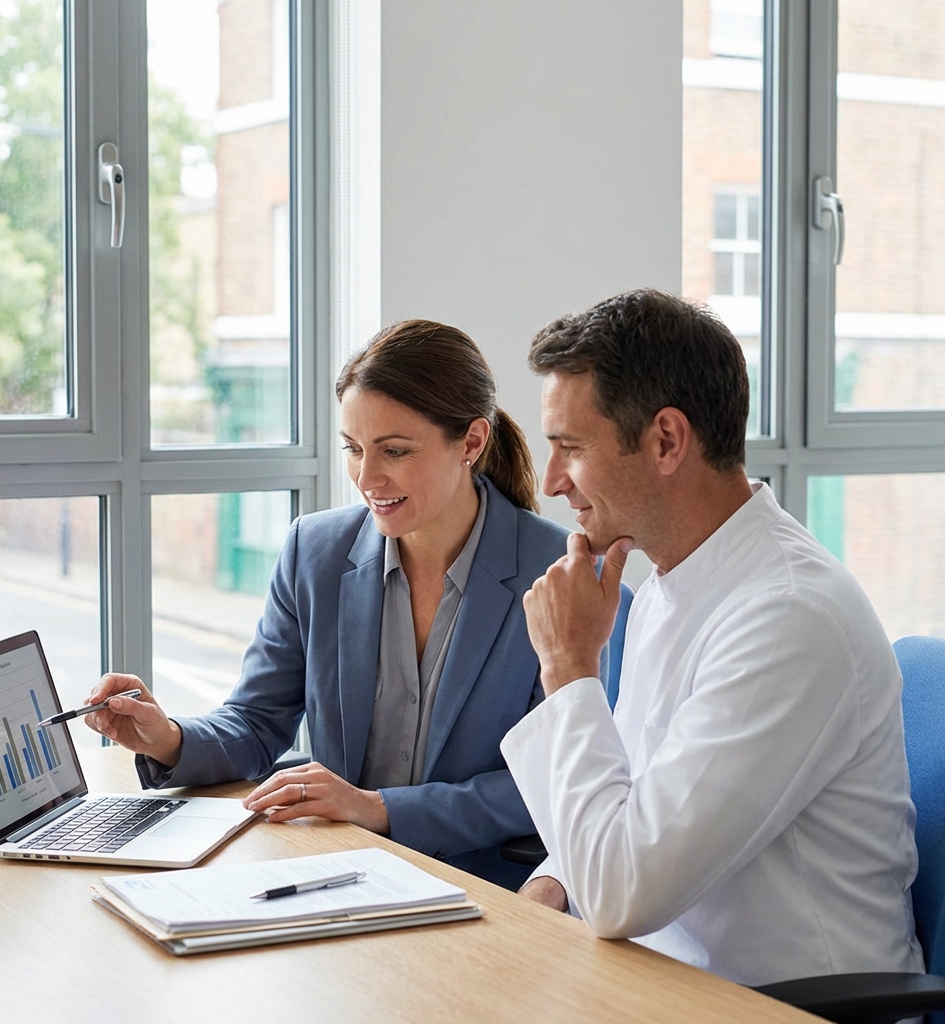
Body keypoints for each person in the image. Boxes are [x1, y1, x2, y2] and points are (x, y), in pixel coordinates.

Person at [85, 319, 612, 889]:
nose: (367, 477)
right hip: (335, 873)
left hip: (484, 888)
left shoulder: (569, 577)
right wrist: (169, 739)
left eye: (395, 451)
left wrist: (378, 808)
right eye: (354, 449)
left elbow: (556, 780)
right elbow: (259, 722)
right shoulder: (314, 550)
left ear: (472, 442)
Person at [501, 289, 924, 984]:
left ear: (666, 440)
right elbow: (632, 797)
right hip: (661, 982)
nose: (550, 483)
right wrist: (554, 883)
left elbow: (622, 889)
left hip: (783, 1004)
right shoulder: (672, 580)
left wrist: (568, 665)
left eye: (569, 448)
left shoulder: (789, 618)